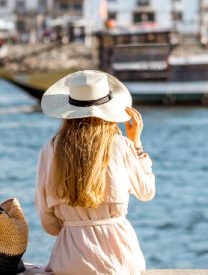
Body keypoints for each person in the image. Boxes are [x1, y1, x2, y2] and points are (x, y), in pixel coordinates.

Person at [35, 70, 155, 275]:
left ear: (69, 110)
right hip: (121, 260)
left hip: (69, 261)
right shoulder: (121, 145)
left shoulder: (50, 148)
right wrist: (136, 145)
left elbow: (49, 224)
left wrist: (75, 229)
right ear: (108, 110)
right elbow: (147, 192)